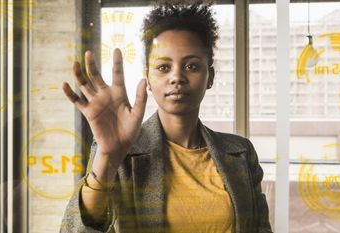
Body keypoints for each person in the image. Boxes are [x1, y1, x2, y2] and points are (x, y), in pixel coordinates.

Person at [60, 1, 272, 233]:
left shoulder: (240, 152)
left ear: (209, 77)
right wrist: (107, 161)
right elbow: (74, 230)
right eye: (163, 67)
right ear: (148, 79)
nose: (177, 77)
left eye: (192, 66)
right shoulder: (119, 149)